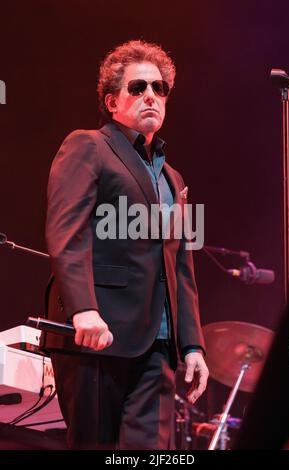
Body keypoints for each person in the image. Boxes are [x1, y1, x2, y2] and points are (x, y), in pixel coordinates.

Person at [43, 39, 209, 450]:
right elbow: (68, 231)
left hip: (158, 345)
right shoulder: (89, 145)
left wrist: (191, 344)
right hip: (98, 334)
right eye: (138, 87)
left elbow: (180, 266)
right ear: (112, 102)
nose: (151, 95)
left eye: (159, 88)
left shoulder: (172, 177)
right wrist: (83, 308)